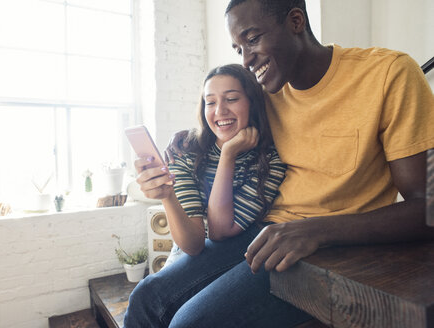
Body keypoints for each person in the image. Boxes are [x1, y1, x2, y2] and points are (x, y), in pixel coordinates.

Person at [157, 0, 433, 326]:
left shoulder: (389, 74)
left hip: (329, 242)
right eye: (238, 48)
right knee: (148, 299)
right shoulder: (266, 89)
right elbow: (223, 117)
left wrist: (316, 230)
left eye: (253, 39)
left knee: (188, 323)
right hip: (261, 230)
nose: (246, 60)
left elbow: (426, 206)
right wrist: (190, 137)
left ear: (296, 21)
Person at [124, 64, 312, 328]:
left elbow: (220, 230)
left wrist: (228, 155)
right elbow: (193, 244)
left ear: (252, 103)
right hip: (192, 246)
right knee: (144, 297)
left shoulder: (270, 160)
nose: (220, 111)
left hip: (242, 239)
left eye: (232, 99)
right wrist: (167, 195)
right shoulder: (185, 151)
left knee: (184, 319)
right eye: (210, 102)